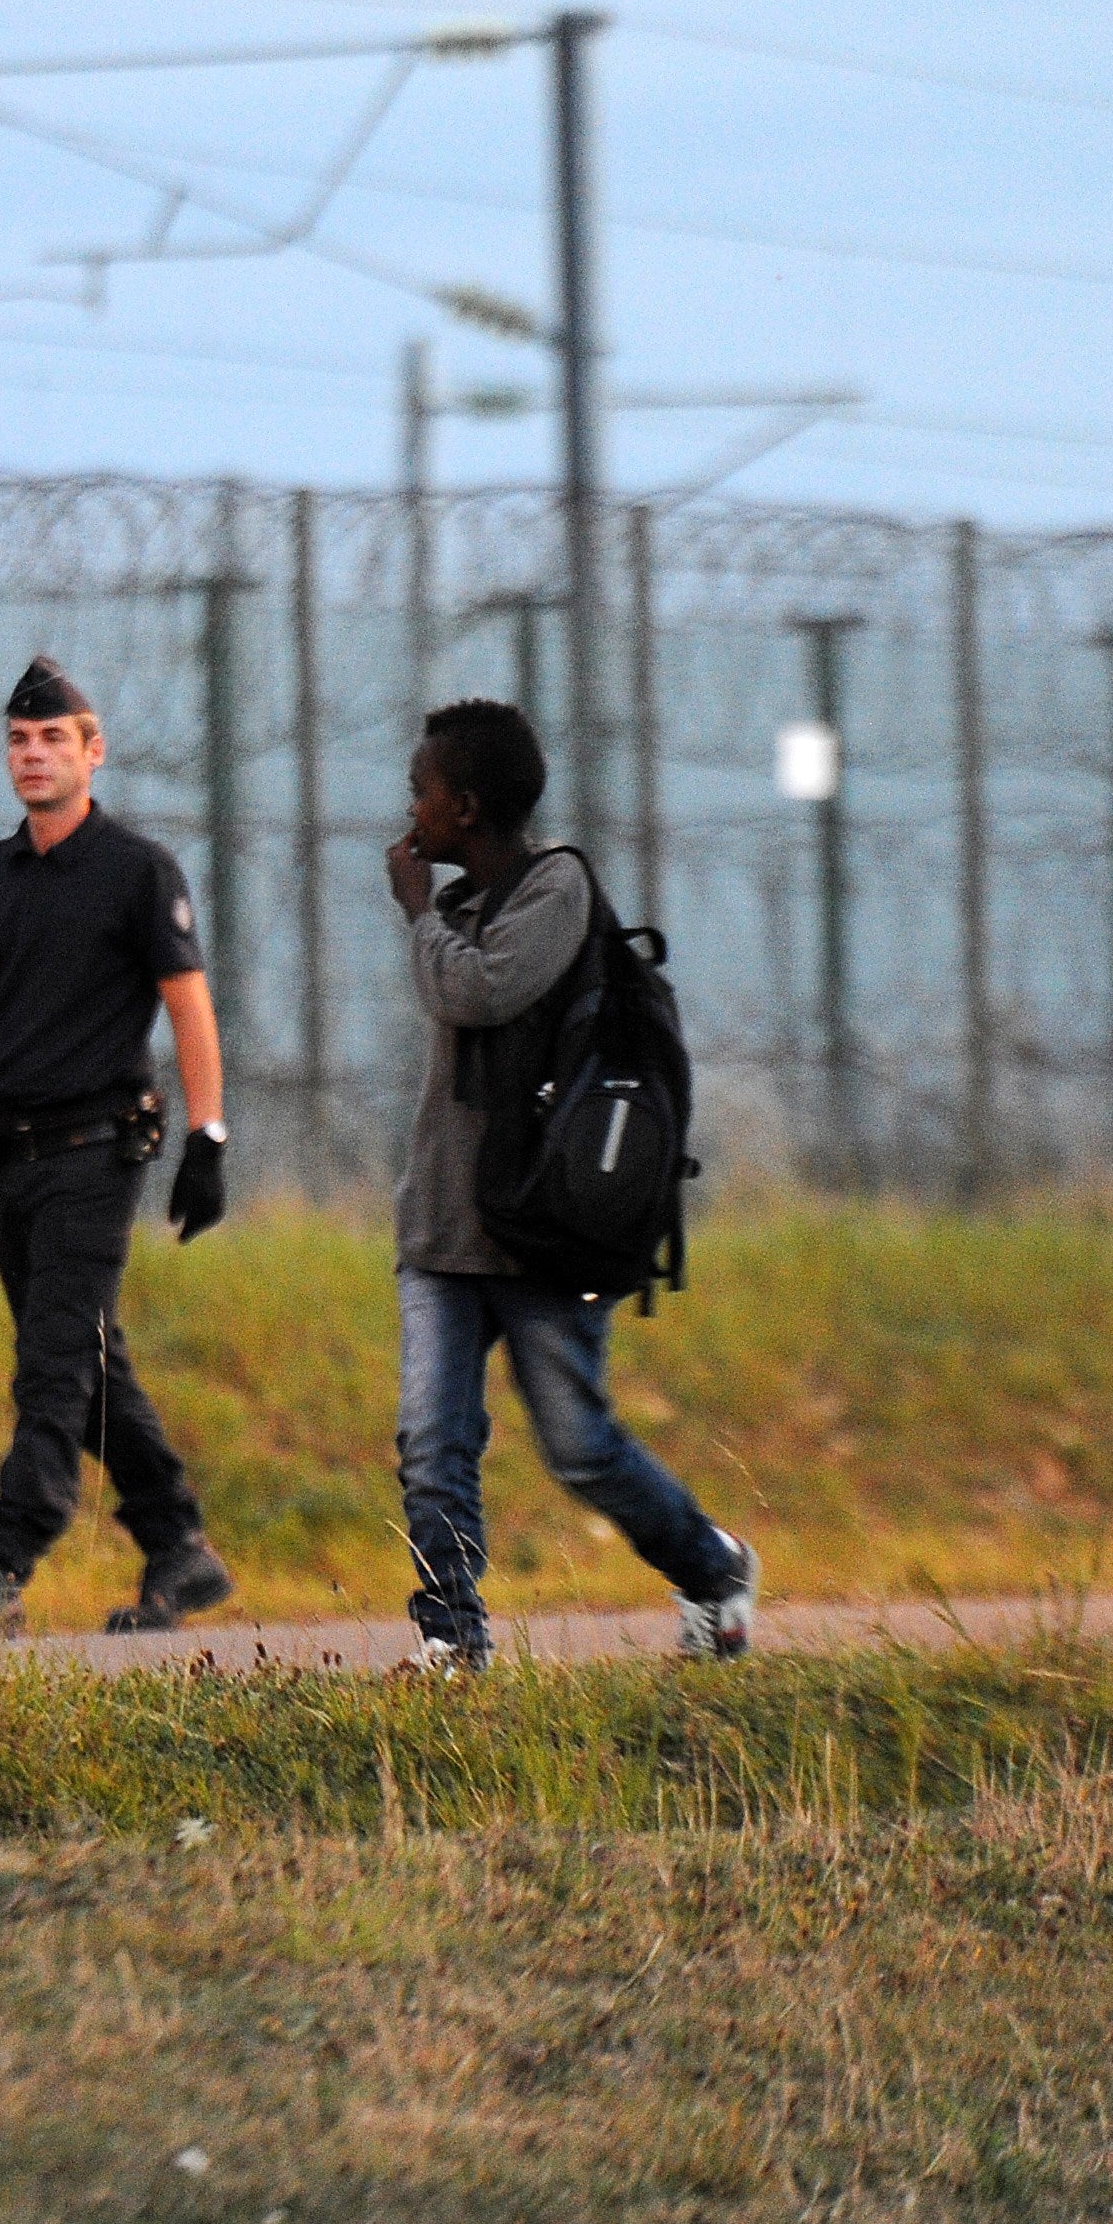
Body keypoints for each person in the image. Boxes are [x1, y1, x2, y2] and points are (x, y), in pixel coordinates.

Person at [381, 697, 760, 1672]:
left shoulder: (557, 890)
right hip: (441, 1233)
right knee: (432, 1444)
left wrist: (418, 912)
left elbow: (478, 989)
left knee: (579, 1448)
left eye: (420, 789)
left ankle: (712, 1568)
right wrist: (435, 917)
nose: (408, 807)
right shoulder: (458, 911)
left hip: (541, 1232)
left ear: (463, 807)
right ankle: (452, 1639)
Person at [0, 656, 235, 1641]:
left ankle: (1, 1564)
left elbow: (190, 1008)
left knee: (51, 1362)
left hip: (98, 1150)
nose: (33, 754)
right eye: (18, 739)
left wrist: (208, 1138)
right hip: (6, 1155)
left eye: (53, 738)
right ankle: (177, 1547)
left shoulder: (137, 872)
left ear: (93, 751)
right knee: (88, 1360)